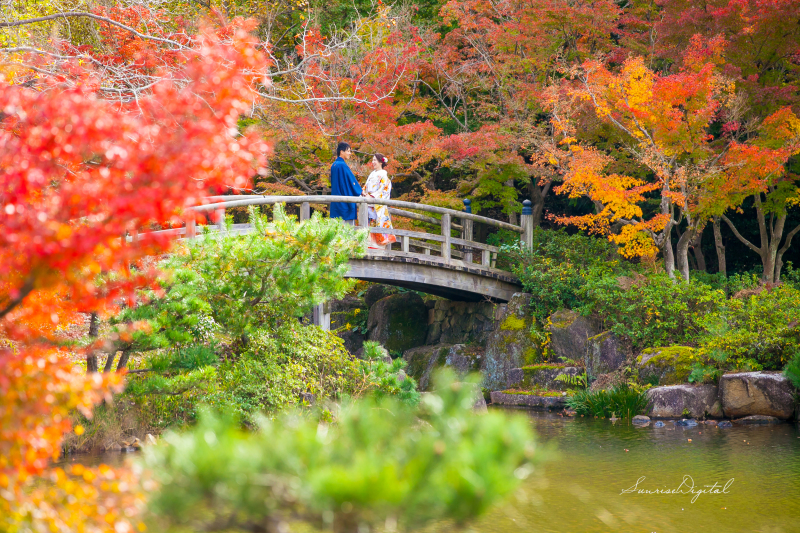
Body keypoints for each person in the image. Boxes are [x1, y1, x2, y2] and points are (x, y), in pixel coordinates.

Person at [363, 153, 397, 249]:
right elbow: (365, 187)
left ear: (380, 162)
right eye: (372, 160)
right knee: (368, 223)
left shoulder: (383, 175)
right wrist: (364, 193)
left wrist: (372, 197)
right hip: (368, 201)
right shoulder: (372, 174)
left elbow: (383, 190)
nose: (373, 162)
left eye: (375, 160)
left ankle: (377, 247)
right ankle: (369, 245)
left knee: (376, 223)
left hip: (375, 202)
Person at [329, 141, 362, 224]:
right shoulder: (342, 165)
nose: (350, 153)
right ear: (341, 152)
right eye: (348, 151)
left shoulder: (334, 165)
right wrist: (360, 191)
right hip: (344, 202)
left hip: (335, 201)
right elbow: (352, 181)